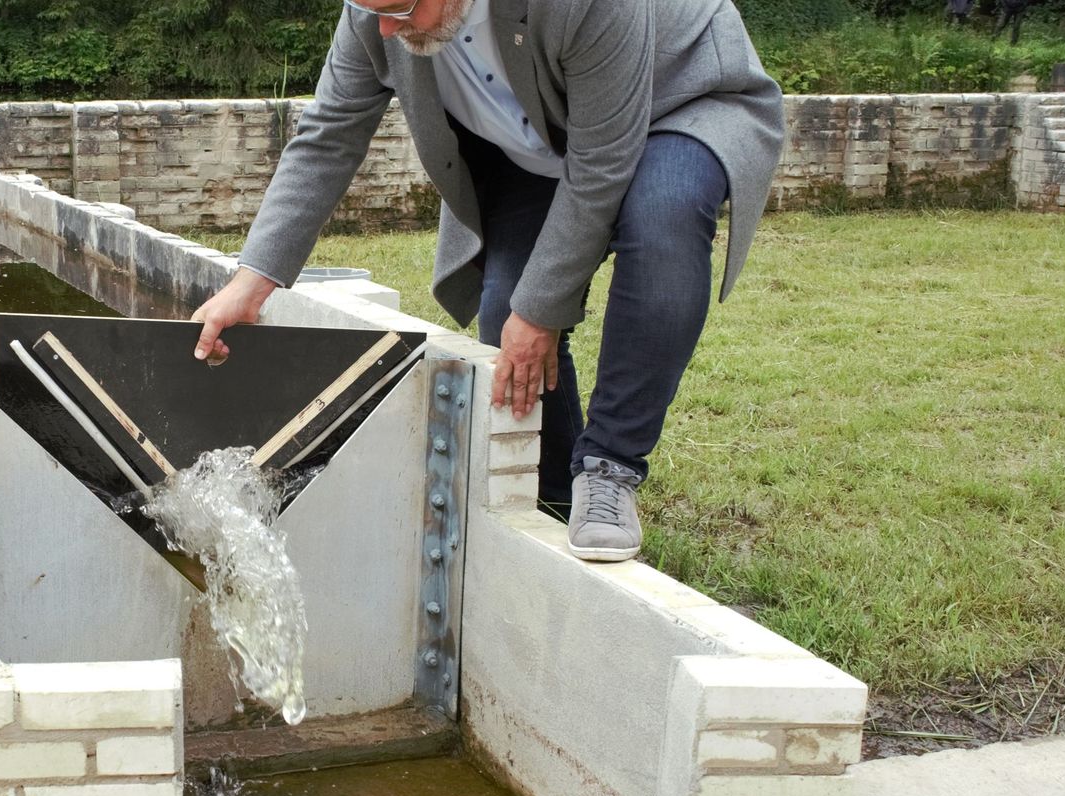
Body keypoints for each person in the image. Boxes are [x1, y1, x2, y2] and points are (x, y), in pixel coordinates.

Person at [189, 0, 784, 562]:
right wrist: (252, 279)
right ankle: (553, 495)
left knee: (663, 221)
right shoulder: (373, 13)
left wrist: (545, 308)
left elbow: (603, 161)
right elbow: (327, 136)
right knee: (507, 318)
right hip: (538, 137)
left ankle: (609, 469)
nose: (388, 32)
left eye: (402, 11)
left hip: (677, 97)